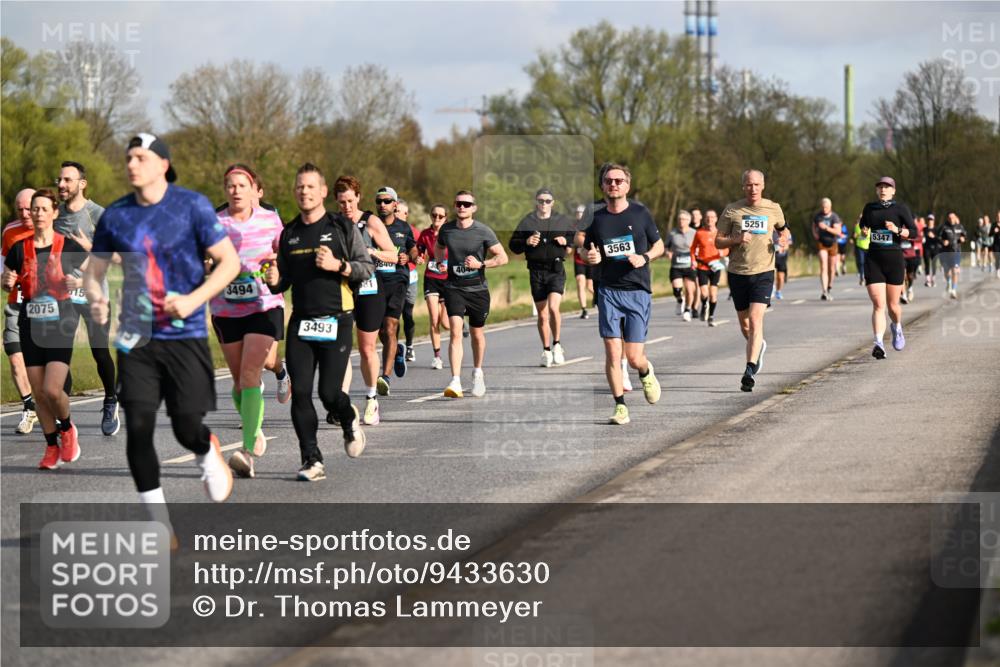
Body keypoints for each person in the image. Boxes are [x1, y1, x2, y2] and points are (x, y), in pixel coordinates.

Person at [85, 133, 241, 509]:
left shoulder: (192, 206)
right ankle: (158, 520)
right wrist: (97, 298)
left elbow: (229, 262)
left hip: (184, 334)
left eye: (140, 157)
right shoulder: (116, 215)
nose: (131, 164)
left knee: (187, 428)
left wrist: (192, 300)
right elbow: (94, 271)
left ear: (162, 165)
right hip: (135, 336)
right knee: (138, 428)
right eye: (128, 158)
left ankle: (206, 451)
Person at [264, 164, 373, 481]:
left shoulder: (341, 226)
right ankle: (311, 459)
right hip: (301, 321)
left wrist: (339, 265)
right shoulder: (290, 233)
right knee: (300, 393)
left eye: (311, 186)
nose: (304, 191)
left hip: (337, 319)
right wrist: (273, 280)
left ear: (323, 191)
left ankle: (348, 415)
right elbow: (281, 282)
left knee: (328, 393)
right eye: (299, 186)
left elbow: (366, 268)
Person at [209, 164, 286, 479]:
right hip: (227, 308)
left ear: (254, 189)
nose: (236, 190)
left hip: (264, 304)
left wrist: (277, 269)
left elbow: (286, 254)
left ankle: (246, 450)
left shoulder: (270, 219)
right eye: (230, 185)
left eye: (242, 185)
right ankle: (255, 429)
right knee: (239, 381)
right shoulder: (214, 222)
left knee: (252, 372)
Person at [2, 189, 86, 469]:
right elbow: (7, 282)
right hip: (30, 323)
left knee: (52, 389)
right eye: (34, 209)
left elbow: (93, 274)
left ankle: (68, 428)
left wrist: (81, 283)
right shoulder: (19, 248)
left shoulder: (68, 247)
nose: (37, 214)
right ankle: (51, 446)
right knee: (39, 393)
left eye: (42, 209)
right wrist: (7, 280)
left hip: (61, 322)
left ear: (54, 212)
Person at [583, 163, 662, 425]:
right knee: (612, 353)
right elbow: (586, 250)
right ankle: (620, 406)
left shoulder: (640, 213)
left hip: (637, 290)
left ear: (627, 185)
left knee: (634, 356)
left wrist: (644, 257)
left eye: (618, 180)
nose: (613, 184)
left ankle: (646, 371)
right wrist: (590, 256)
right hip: (608, 290)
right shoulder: (596, 218)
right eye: (608, 181)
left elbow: (659, 245)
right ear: (602, 186)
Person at [54, 160, 121, 436]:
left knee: (99, 351)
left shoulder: (98, 215)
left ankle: (110, 400)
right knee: (59, 354)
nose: (61, 185)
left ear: (82, 183)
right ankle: (63, 415)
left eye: (67, 180)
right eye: (59, 180)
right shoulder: (53, 215)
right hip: (62, 295)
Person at [715, 169, 790, 392]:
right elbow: (718, 242)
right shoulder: (732, 210)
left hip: (764, 271)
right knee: (745, 325)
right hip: (738, 272)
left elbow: (784, 230)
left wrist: (783, 240)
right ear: (743, 187)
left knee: (756, 321)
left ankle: (749, 370)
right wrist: (737, 239)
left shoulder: (773, 208)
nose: (753, 189)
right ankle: (758, 346)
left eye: (756, 185)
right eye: (748, 185)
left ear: (763, 186)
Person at [333, 176, 397, 426]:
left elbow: (394, 255)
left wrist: (374, 253)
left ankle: (371, 399)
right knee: (341, 350)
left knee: (367, 347)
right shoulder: (332, 223)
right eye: (341, 202)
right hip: (341, 292)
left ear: (358, 197)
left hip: (369, 290)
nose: (346, 206)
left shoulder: (370, 221)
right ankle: (342, 403)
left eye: (350, 201)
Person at [435, 190, 508, 398]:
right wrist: (440, 262)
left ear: (474, 208)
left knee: (476, 333)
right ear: (454, 205)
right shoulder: (447, 230)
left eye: (467, 204)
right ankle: (455, 380)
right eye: (459, 203)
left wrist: (481, 264)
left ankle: (477, 373)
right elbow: (439, 247)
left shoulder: (483, 231)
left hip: (478, 290)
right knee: (456, 331)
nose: (462, 207)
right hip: (454, 287)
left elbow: (502, 258)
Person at [508, 188, 574, 367]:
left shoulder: (562, 220)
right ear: (536, 202)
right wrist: (526, 242)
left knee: (553, 308)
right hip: (536, 271)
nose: (543, 204)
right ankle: (546, 351)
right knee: (542, 314)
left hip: (556, 269)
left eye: (547, 201)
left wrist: (566, 241)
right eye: (540, 200)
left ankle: (557, 345)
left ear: (553, 203)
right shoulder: (527, 221)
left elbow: (574, 237)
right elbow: (513, 245)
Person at [858, 176, 917, 359]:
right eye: (880, 187)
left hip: (894, 260)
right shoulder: (870, 208)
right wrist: (864, 230)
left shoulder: (900, 209)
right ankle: (878, 343)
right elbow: (863, 224)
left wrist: (897, 230)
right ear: (877, 191)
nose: (883, 190)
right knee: (878, 304)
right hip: (874, 259)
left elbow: (913, 233)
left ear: (893, 190)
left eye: (887, 187)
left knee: (893, 306)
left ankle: (897, 327)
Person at [373, 186, 416, 396]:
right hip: (374, 282)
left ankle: (385, 377)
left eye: (387, 201)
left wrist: (409, 257)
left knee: (390, 326)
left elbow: (414, 252)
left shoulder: (404, 228)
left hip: (398, 281)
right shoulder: (370, 226)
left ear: (395, 204)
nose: (383, 205)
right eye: (379, 201)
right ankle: (397, 349)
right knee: (381, 331)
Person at [2, 188, 39, 434]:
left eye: (30, 208)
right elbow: (1, 270)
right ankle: (29, 407)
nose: (25, 214)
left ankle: (57, 412)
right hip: (17, 302)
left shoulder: (53, 228)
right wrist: (4, 279)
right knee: (15, 356)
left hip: (47, 306)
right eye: (20, 209)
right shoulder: (9, 232)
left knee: (45, 365)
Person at [416, 204, 450, 369]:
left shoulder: (450, 233)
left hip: (448, 279)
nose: (437, 218)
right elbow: (419, 251)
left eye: (440, 216)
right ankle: (437, 356)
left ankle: (460, 321)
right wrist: (419, 258)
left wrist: (448, 265)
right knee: (433, 318)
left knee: (446, 324)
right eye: (434, 215)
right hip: (431, 278)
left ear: (445, 218)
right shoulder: (425, 234)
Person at [691, 209, 727, 325]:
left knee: (713, 294)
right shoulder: (699, 233)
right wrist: (693, 261)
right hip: (702, 266)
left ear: (716, 219)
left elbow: (728, 247)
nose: (709, 219)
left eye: (712, 217)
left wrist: (724, 252)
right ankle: (704, 305)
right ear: (704, 219)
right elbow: (692, 248)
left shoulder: (721, 233)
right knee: (704, 293)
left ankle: (711, 316)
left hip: (715, 266)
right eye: (707, 217)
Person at [396, 199, 420, 363]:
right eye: (395, 210)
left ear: (406, 214)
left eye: (400, 212)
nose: (397, 214)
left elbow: (421, 251)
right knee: (392, 315)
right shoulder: (384, 229)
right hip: (393, 277)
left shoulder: (413, 231)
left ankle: (409, 346)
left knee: (407, 313)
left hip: (410, 276)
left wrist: (418, 257)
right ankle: (394, 347)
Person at [665, 210, 697, 320]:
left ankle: (688, 310)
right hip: (676, 265)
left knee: (689, 290)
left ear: (688, 221)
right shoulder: (672, 233)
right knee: (677, 290)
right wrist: (668, 253)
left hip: (689, 265)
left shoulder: (694, 233)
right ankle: (680, 300)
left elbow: (699, 247)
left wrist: (696, 257)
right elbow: (666, 247)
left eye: (683, 219)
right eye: (679, 219)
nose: (681, 221)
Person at [812, 197, 842, 301]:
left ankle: (829, 287)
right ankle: (824, 291)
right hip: (822, 243)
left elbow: (838, 232)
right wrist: (815, 234)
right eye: (823, 207)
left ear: (830, 207)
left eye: (826, 207)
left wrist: (826, 228)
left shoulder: (835, 217)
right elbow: (814, 225)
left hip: (832, 243)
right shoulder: (818, 216)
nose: (824, 209)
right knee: (823, 266)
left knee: (832, 268)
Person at [571, 204, 594, 319]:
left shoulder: (591, 225)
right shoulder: (573, 227)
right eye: (578, 213)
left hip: (590, 259)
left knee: (590, 286)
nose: (579, 215)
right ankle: (584, 309)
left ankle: (599, 299)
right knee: (580, 282)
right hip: (578, 259)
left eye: (582, 213)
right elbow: (570, 243)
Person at [939, 212, 967, 299]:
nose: (951, 219)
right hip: (946, 252)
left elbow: (965, 235)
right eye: (949, 218)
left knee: (955, 270)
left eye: (953, 217)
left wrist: (963, 239)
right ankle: (948, 281)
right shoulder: (944, 227)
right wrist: (943, 241)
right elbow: (938, 237)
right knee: (947, 271)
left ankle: (954, 290)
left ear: (955, 218)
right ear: (948, 219)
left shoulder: (960, 227)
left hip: (956, 251)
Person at [900, 214, 924, 304]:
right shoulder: (899, 227)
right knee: (902, 275)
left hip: (912, 255)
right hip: (901, 255)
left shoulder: (913, 227)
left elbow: (919, 238)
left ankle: (910, 288)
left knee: (910, 276)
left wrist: (910, 237)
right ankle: (904, 295)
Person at [772, 224, 792, 299]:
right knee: (771, 274)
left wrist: (782, 248)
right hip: (772, 256)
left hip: (782, 256)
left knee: (781, 278)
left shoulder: (786, 230)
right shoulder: (769, 231)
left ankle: (778, 291)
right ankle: (772, 287)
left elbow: (788, 244)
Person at [851, 214, 870, 286]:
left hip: (868, 247)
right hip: (860, 246)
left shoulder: (870, 225)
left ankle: (867, 277)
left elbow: (869, 234)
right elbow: (855, 235)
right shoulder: (857, 226)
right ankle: (862, 277)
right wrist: (855, 236)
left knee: (867, 263)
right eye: (860, 218)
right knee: (861, 262)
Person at [922, 214, 940, 287]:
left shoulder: (936, 229)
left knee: (934, 264)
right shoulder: (924, 229)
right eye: (929, 220)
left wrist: (934, 236)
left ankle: (933, 279)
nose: (930, 221)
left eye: (931, 220)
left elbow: (940, 240)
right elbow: (921, 237)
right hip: (926, 248)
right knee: (927, 264)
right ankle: (928, 280)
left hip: (935, 249)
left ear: (933, 221)